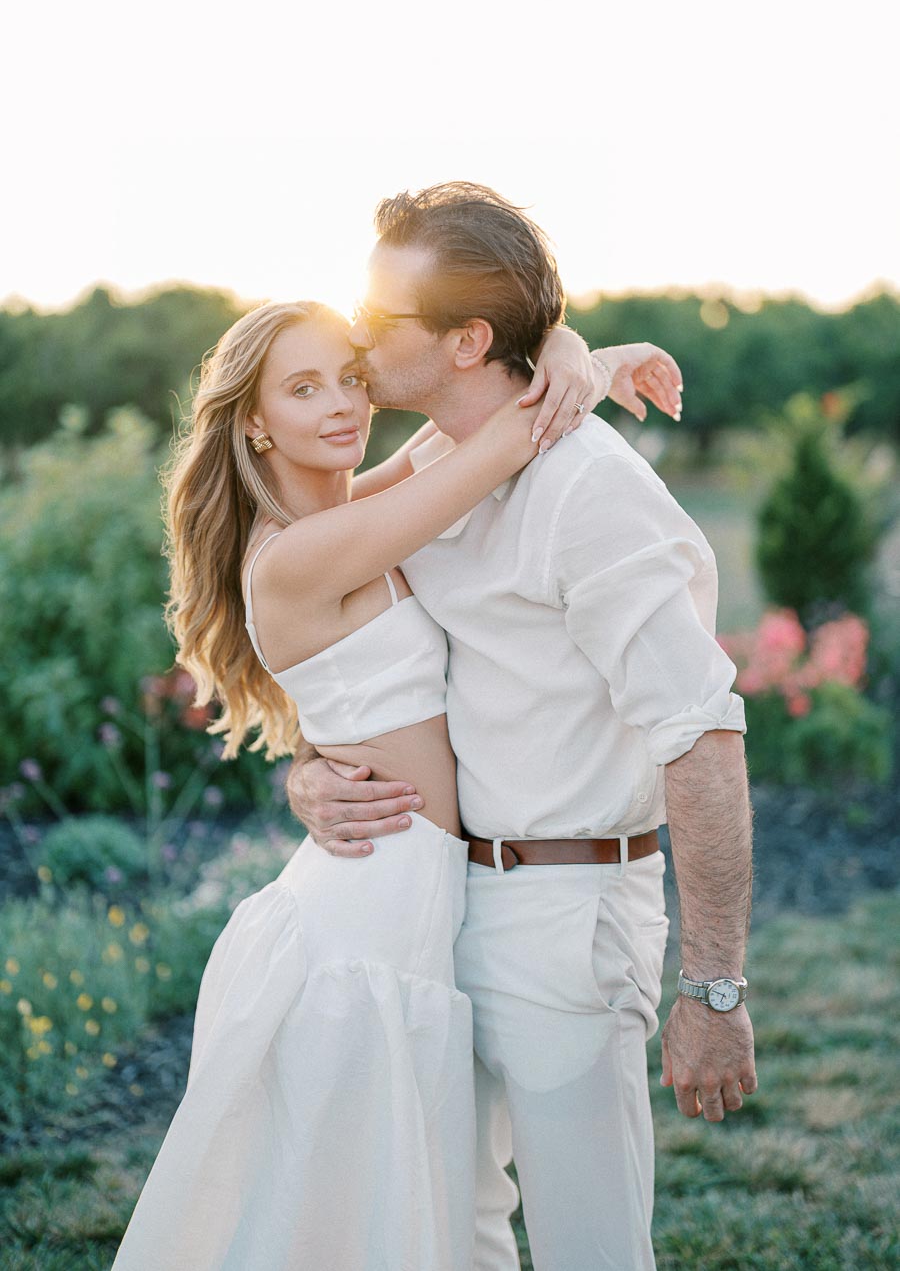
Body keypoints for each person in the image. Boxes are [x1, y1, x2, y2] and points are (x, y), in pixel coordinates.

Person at [111, 286, 667, 1269]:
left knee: (425, 1206)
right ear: (254, 420)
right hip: (363, 922)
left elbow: (471, 432)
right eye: (304, 388)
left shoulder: (355, 507)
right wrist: (575, 355)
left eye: (352, 380)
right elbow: (496, 443)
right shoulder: (298, 557)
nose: (341, 405)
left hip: (421, 897)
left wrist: (577, 346)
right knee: (346, 1218)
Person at [290, 182, 758, 1271]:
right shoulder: (436, 473)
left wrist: (715, 988)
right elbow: (381, 673)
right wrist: (310, 773)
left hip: (570, 912)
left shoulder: (592, 493)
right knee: (449, 1235)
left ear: (466, 340)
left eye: (379, 320)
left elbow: (703, 736)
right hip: (432, 904)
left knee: (590, 1244)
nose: (356, 339)